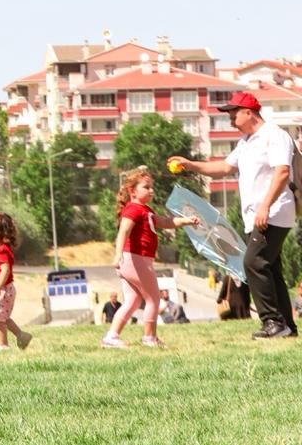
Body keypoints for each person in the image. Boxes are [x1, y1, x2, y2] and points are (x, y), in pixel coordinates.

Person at [171, 92, 297, 339]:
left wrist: (265, 206)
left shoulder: (274, 135)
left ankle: (272, 322)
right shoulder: (247, 141)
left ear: (249, 112)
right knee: (271, 269)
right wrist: (190, 164)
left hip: (274, 212)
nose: (230, 119)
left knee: (253, 263)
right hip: (257, 216)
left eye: (233, 113)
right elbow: (225, 168)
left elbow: (282, 173)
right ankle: (287, 327)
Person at [102, 167, 199, 349]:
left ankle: (111, 337)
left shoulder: (146, 211)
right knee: (154, 298)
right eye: (146, 187)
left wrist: (186, 220)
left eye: (151, 187)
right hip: (135, 259)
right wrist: (117, 255)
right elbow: (123, 231)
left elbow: (166, 222)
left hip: (132, 261)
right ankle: (149, 338)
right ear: (133, 191)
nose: (151, 190)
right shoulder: (133, 210)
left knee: (132, 301)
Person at [0, 212, 32, 352]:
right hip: (4, 289)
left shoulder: (1, 251)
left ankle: (2, 346)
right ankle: (21, 336)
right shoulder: (1, 249)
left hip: (3, 289)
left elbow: (5, 270)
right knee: (2, 317)